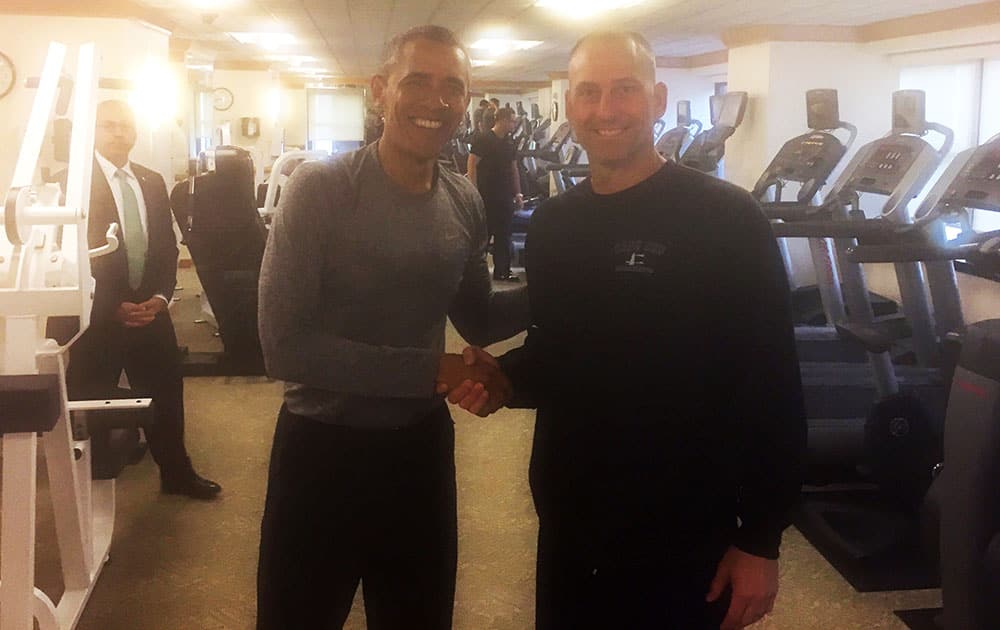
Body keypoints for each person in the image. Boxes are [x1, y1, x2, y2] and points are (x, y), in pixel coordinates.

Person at [447, 31, 806, 629]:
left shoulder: (727, 219)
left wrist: (762, 539)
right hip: (572, 522)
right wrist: (500, 381)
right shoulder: (556, 224)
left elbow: (773, 385)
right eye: (588, 92)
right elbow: (563, 355)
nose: (605, 109)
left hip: (686, 532)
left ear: (658, 99)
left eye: (625, 90)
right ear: (569, 106)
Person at [255, 25, 529, 630]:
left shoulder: (463, 199)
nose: (435, 102)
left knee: (418, 616)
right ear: (381, 91)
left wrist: (572, 278)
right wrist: (434, 368)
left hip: (419, 450)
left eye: (452, 88)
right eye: (416, 82)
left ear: (467, 101)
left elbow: (479, 316)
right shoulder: (320, 190)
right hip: (321, 451)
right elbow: (284, 346)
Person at [61, 100, 221, 500]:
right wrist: (112, 304)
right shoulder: (71, 183)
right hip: (98, 314)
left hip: (150, 310)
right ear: (93, 132)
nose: (119, 133)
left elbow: (165, 247)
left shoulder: (151, 181)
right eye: (109, 126)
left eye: (125, 126)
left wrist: (161, 296)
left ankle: (177, 474)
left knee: (166, 392)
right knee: (92, 399)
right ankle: (90, 487)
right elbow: (68, 256)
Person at [468, 106, 524, 282]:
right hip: (486, 195)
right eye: (513, 121)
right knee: (483, 236)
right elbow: (472, 164)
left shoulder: (509, 143)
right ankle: (475, 272)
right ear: (503, 120)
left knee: (504, 235)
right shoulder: (484, 139)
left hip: (504, 196)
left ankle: (502, 271)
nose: (514, 125)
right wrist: (474, 190)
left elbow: (513, 169)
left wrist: (518, 193)